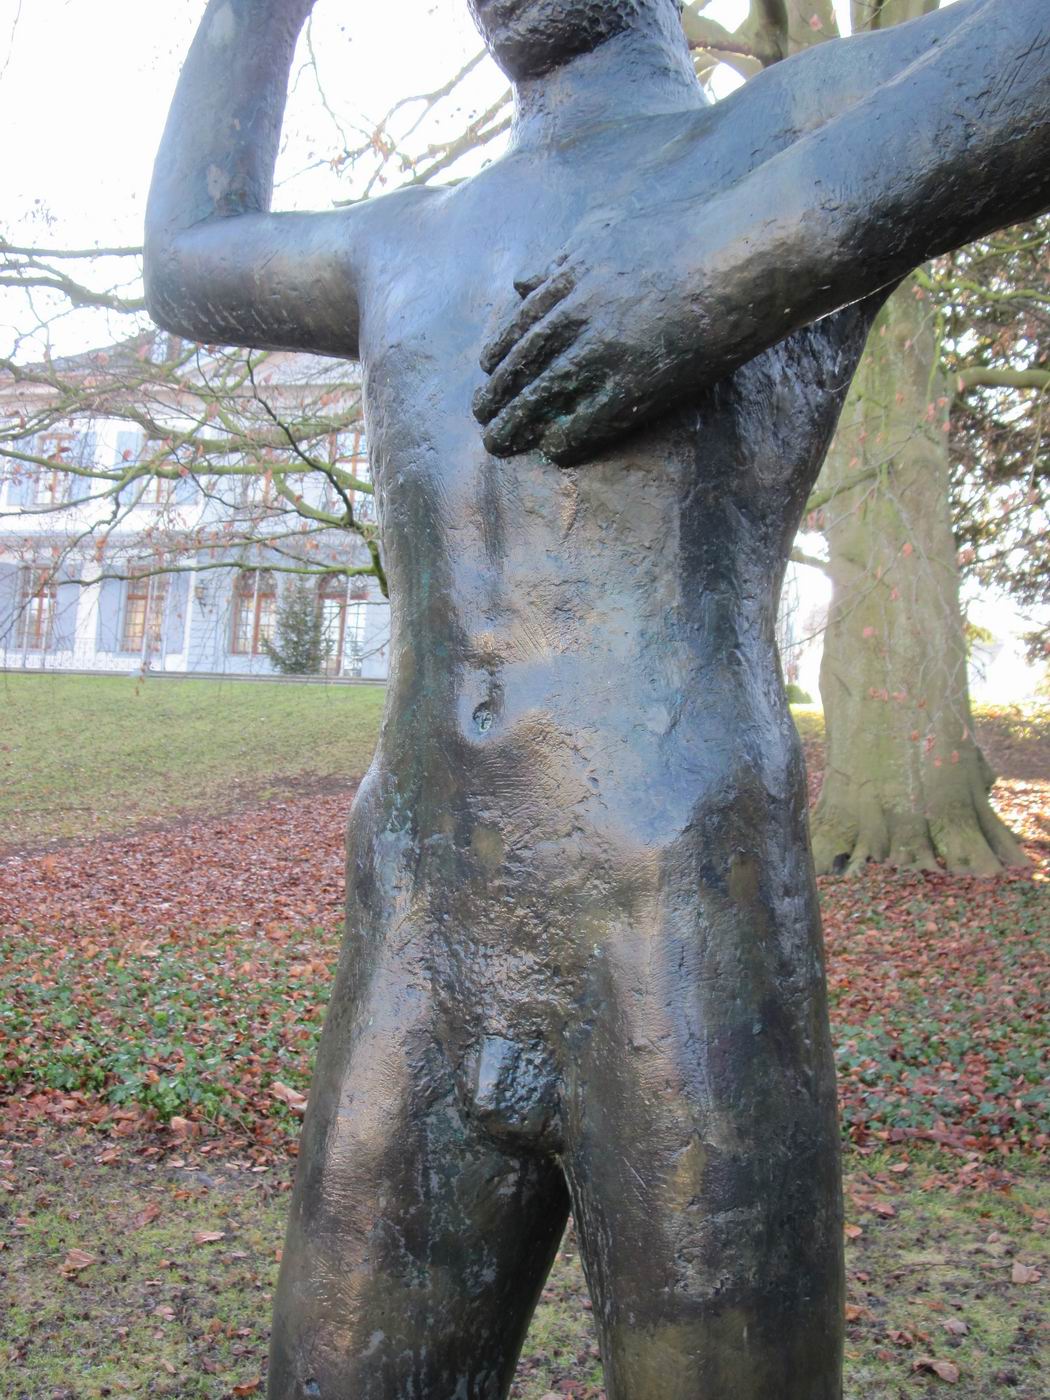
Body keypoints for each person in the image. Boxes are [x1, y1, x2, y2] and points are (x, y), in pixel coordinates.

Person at [144, 3, 1049, 1396]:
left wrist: (722, 265)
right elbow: (188, 261)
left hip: (673, 914)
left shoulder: (773, 137)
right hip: (421, 919)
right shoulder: (407, 238)